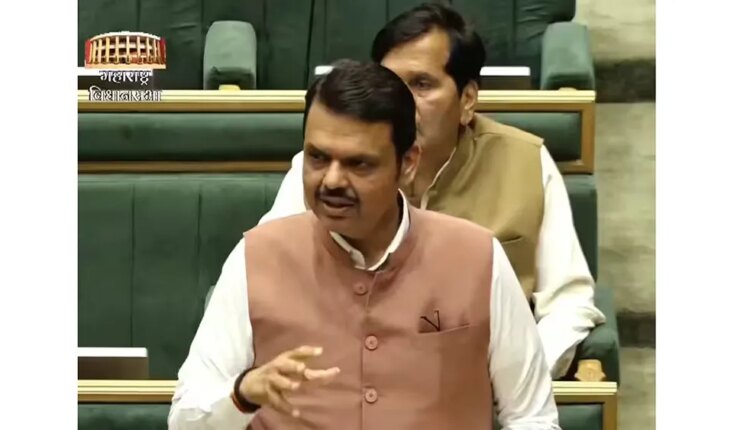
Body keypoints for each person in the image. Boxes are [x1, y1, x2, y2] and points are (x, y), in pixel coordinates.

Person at [169, 61, 560, 429]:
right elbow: (185, 419)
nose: (332, 181)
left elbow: (532, 416)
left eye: (359, 164)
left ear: (408, 163)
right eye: (318, 158)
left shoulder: (477, 258)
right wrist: (242, 394)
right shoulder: (256, 258)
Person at [257, 2, 605, 379]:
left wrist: (514, 382)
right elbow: (265, 277)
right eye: (390, 83)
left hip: (479, 386)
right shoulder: (328, 172)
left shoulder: (525, 163)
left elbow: (568, 303)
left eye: (421, 84)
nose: (400, 103)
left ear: (467, 99)